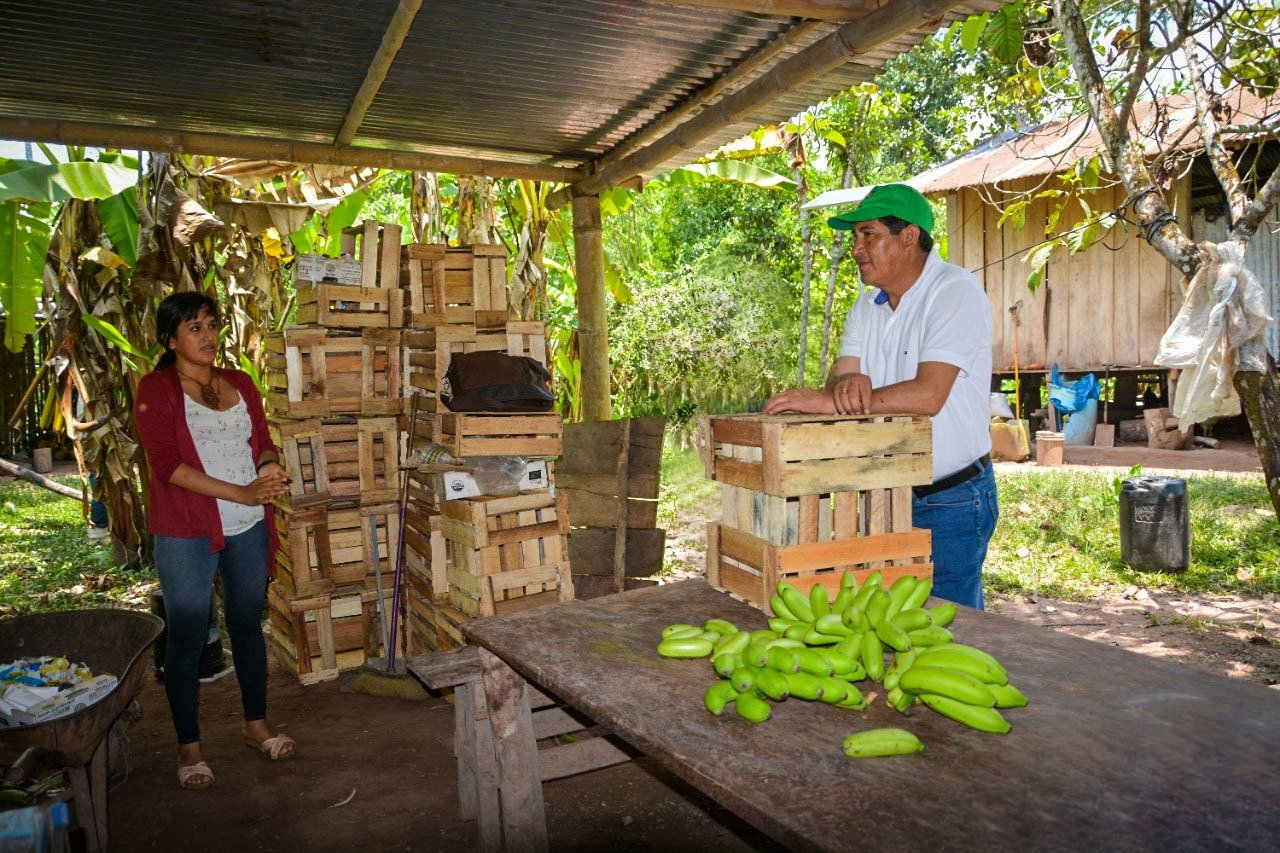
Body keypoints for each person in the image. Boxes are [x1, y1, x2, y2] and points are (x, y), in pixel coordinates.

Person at [765, 184, 997, 609]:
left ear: (908, 236)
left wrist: (831, 400)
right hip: (883, 494)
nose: (856, 248)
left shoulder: (953, 291)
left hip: (950, 499)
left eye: (868, 235)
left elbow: (929, 395)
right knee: (886, 617)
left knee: (952, 624)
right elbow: (843, 378)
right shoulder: (865, 307)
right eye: (855, 237)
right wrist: (838, 391)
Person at [134, 291, 296, 790]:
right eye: (193, 328)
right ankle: (189, 748)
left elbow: (260, 439)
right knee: (185, 635)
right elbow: (167, 467)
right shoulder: (156, 390)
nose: (207, 336)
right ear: (170, 339)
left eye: (210, 325)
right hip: (186, 530)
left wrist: (267, 467)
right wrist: (243, 492)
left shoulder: (241, 383)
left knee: (247, 625)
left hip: (246, 528)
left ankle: (256, 726)